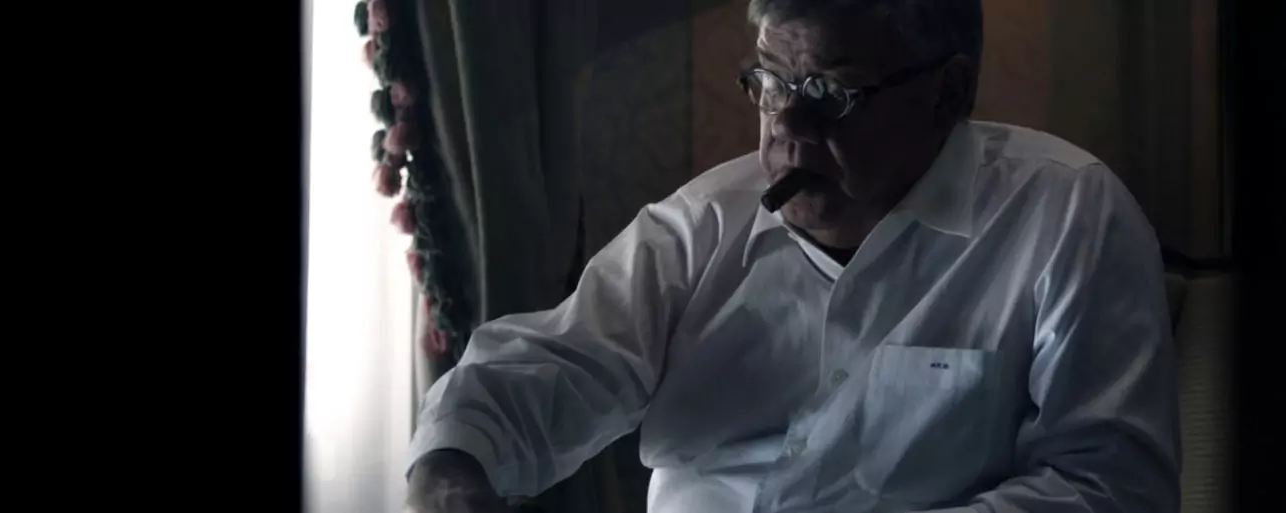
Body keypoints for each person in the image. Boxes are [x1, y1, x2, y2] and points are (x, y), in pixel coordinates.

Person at [404, 0, 1180, 511]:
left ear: (948, 92)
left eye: (830, 95)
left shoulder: (1064, 214)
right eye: (771, 84)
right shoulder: (705, 223)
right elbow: (557, 364)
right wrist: (451, 466)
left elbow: (1110, 487)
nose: (787, 129)